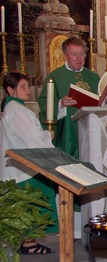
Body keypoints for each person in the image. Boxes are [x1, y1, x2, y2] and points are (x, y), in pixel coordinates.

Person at [0, 72, 55, 255]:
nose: (27, 90)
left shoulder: (14, 108)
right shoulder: (16, 110)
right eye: (22, 87)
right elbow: (32, 139)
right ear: (10, 89)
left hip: (21, 166)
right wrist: (49, 136)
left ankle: (28, 241)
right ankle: (29, 243)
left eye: (28, 86)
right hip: (25, 168)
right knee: (32, 206)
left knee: (26, 208)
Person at [37, 36, 100, 159]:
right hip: (67, 132)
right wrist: (61, 104)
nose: (79, 58)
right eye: (74, 54)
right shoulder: (54, 77)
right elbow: (45, 103)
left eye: (82, 54)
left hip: (92, 130)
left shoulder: (94, 77)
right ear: (65, 55)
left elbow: (106, 105)